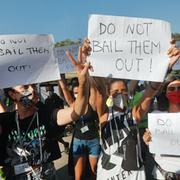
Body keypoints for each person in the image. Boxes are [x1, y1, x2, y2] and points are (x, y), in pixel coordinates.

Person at [82, 37, 180, 180]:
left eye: (123, 91)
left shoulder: (134, 114)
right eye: (115, 92)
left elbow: (150, 92)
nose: (120, 94)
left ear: (128, 94)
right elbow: (99, 89)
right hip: (108, 175)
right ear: (109, 94)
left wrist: (166, 68)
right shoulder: (104, 113)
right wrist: (90, 60)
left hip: (135, 175)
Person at [0, 47, 91, 180]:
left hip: (45, 174)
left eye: (34, 86)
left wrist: (83, 82)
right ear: (12, 95)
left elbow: (77, 111)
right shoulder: (5, 120)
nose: (32, 90)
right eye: (25, 87)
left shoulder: (46, 115)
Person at [58, 73, 100, 180]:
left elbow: (94, 87)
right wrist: (59, 77)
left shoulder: (92, 102)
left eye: (79, 92)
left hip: (93, 141)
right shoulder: (73, 104)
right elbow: (64, 88)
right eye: (75, 93)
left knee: (94, 173)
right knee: (78, 176)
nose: (78, 94)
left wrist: (89, 73)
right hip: (78, 141)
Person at [143, 74, 180, 180]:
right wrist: (148, 141)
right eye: (172, 89)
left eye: (179, 88)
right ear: (165, 92)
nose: (176, 91)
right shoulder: (156, 115)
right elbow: (156, 146)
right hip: (163, 174)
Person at [45, 84, 70, 154]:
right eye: (47, 90)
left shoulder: (57, 99)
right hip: (49, 121)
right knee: (53, 136)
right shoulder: (46, 100)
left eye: (50, 90)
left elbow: (61, 109)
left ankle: (64, 144)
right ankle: (65, 144)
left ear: (53, 90)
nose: (49, 91)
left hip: (57, 120)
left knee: (55, 135)